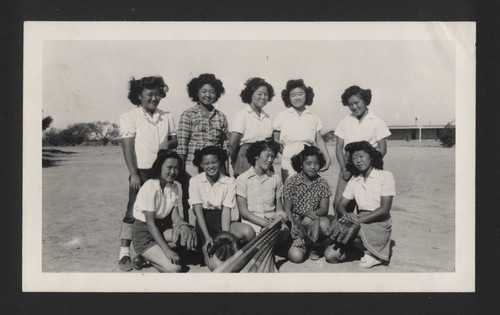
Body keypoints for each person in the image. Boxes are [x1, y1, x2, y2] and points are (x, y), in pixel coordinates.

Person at [117, 76, 177, 271]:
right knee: (133, 210)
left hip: (161, 171)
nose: (154, 98)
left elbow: (174, 140)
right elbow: (127, 146)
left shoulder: (166, 116)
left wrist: (167, 145)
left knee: (160, 211)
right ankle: (124, 253)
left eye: (158, 94)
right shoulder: (129, 117)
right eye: (149, 94)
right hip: (141, 171)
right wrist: (133, 173)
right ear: (139, 95)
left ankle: (150, 252)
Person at [324, 141, 395, 268]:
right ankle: (367, 252)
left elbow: (384, 209)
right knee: (330, 256)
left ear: (371, 156)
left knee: (348, 231)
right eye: (354, 158)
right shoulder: (354, 179)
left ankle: (377, 252)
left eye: (361, 156)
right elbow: (341, 205)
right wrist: (348, 217)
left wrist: (356, 220)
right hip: (359, 221)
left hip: (379, 222)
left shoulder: (385, 176)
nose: (358, 161)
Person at [189, 146, 255, 270]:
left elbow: (226, 210)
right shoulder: (194, 181)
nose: (211, 166)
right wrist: (207, 236)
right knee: (218, 267)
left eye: (214, 162)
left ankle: (239, 252)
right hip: (205, 224)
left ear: (220, 162)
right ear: (201, 165)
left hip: (223, 221)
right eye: (206, 163)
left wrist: (225, 237)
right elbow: (198, 212)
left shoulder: (230, 182)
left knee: (249, 232)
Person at [132, 150, 197, 273]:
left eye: (176, 168)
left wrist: (184, 226)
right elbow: (150, 224)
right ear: (160, 167)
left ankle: (153, 255)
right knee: (174, 268)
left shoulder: (174, 187)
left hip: (161, 230)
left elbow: (176, 217)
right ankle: (146, 256)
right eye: (169, 167)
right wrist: (167, 250)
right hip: (144, 234)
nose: (173, 172)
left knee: (188, 238)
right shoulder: (149, 187)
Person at [333, 85, 391, 213]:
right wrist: (343, 169)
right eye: (350, 104)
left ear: (365, 100)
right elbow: (338, 148)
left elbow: (383, 148)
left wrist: (370, 165)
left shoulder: (377, 121)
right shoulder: (344, 121)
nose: (354, 107)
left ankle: (363, 231)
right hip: (348, 169)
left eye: (356, 102)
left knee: (367, 205)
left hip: (369, 169)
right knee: (340, 204)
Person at [235, 140, 290, 254]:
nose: (270, 160)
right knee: (248, 233)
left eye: (273, 157)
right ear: (256, 156)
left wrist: (280, 217)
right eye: (267, 156)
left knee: (285, 231)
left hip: (272, 223)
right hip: (252, 225)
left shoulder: (276, 179)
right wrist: (266, 224)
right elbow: (244, 212)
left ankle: (263, 249)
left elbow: (279, 208)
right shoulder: (242, 179)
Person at [273, 79, 331, 183]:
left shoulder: (314, 117)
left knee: (309, 188)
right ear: (288, 98)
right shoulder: (281, 116)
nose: (297, 97)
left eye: (300, 94)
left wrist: (327, 158)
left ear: (306, 95)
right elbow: (276, 140)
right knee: (290, 188)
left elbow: (319, 141)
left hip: (309, 156)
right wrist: (286, 152)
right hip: (288, 157)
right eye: (293, 95)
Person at [282, 145, 332, 263]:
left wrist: (310, 215)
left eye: (316, 163)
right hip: (294, 223)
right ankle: (296, 243)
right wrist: (294, 230)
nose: (313, 167)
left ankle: (315, 246)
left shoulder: (322, 183)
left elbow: (324, 209)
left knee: (325, 223)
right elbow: (287, 209)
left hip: (313, 222)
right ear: (301, 165)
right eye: (308, 163)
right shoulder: (291, 182)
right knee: (296, 257)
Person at [177, 73, 230, 177]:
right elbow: (182, 146)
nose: (208, 95)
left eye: (212, 92)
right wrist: (181, 170)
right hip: (192, 167)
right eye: (204, 91)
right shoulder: (188, 115)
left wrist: (226, 171)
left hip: (215, 167)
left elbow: (224, 147)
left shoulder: (221, 116)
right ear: (197, 93)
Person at [229, 77, 275, 177]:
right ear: (251, 94)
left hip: (265, 160)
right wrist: (236, 162)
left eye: (266, 94)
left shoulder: (267, 117)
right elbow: (233, 144)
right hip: (246, 159)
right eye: (259, 94)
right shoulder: (242, 114)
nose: (263, 97)